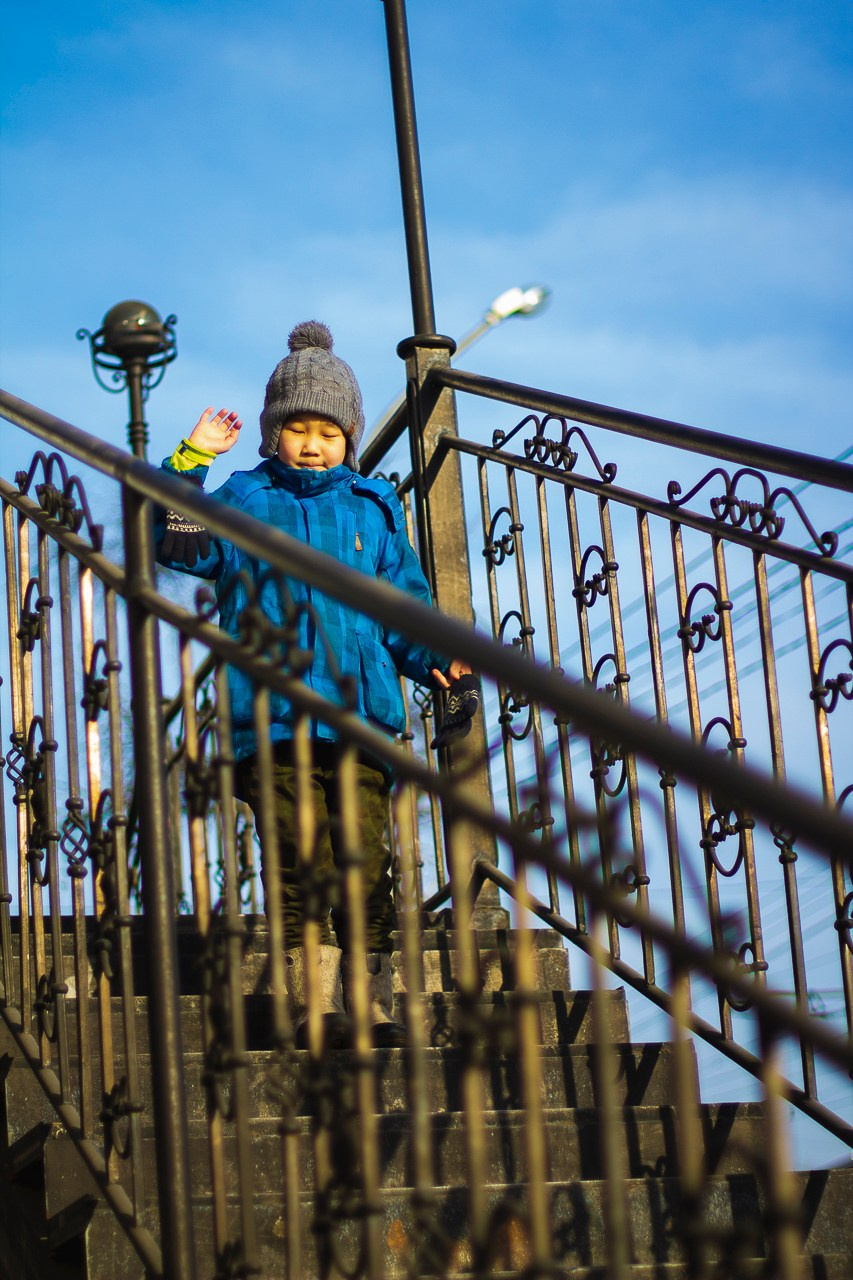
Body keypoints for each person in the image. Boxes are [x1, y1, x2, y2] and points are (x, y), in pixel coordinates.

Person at [155, 320, 474, 1050]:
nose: (310, 444)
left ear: (349, 437)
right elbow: (177, 544)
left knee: (364, 860)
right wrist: (190, 460)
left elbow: (402, 606)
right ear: (272, 434)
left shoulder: (372, 506)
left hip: (360, 714)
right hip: (269, 716)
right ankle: (315, 1006)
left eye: (327, 432)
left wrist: (439, 662)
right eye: (296, 429)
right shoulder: (242, 497)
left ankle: (370, 1003)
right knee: (301, 860)